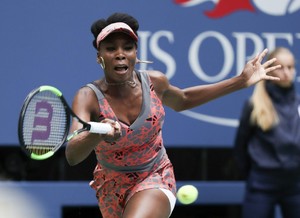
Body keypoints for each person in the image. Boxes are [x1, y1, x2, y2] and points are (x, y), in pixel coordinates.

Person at [65, 12, 281, 218]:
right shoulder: (88, 97)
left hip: (155, 175)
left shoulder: (155, 83)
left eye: (128, 48)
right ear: (99, 58)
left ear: (135, 54)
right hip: (111, 187)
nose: (120, 53)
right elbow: (73, 154)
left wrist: (240, 81)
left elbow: (184, 99)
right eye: (111, 49)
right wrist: (99, 133)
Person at [234, 47, 300, 218]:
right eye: (281, 67)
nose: (286, 72)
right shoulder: (254, 104)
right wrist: (254, 175)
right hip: (261, 185)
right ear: (270, 69)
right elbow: (240, 145)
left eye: (290, 67)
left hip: (296, 184)